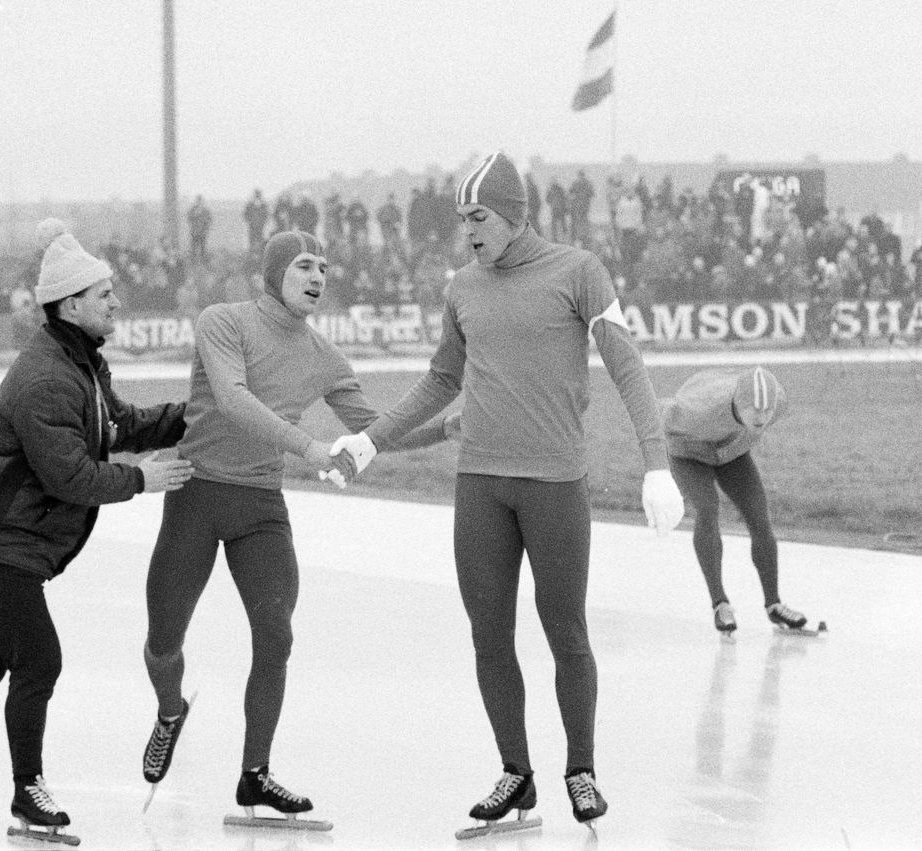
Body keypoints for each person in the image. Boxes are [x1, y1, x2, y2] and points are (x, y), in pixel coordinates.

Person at [328, 152, 685, 830]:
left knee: (566, 630)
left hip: (554, 484)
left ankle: (580, 769)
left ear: (515, 214)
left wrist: (657, 462)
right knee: (489, 634)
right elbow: (441, 378)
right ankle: (515, 773)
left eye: (479, 217)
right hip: (481, 486)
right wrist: (373, 438)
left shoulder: (579, 271)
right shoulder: (463, 284)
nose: (468, 232)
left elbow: (627, 367)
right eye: (462, 220)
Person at [139, 230, 457, 821]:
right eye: (304, 266)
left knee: (276, 633)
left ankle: (255, 775)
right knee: (163, 639)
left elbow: (377, 433)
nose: (318, 277)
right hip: (196, 493)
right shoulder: (223, 322)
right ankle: (169, 711)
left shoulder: (325, 359)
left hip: (259, 506)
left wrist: (445, 428)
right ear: (275, 273)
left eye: (324, 268)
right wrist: (310, 447)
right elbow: (232, 399)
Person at [0, 219, 194, 837]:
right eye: (105, 294)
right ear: (71, 303)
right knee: (40, 661)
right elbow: (72, 477)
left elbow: (118, 425)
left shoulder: (79, 361)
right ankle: (28, 792)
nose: (117, 301)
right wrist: (144, 480)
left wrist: (189, 418)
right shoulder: (46, 378)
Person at [661, 366, 809, 634]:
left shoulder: (778, 404)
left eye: (767, 412)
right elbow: (659, 419)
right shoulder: (698, 410)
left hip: (731, 453)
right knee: (707, 509)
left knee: (759, 518)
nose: (762, 418)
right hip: (689, 452)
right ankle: (720, 604)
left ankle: (774, 605)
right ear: (738, 404)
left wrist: (732, 439)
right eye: (754, 411)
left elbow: (761, 410)